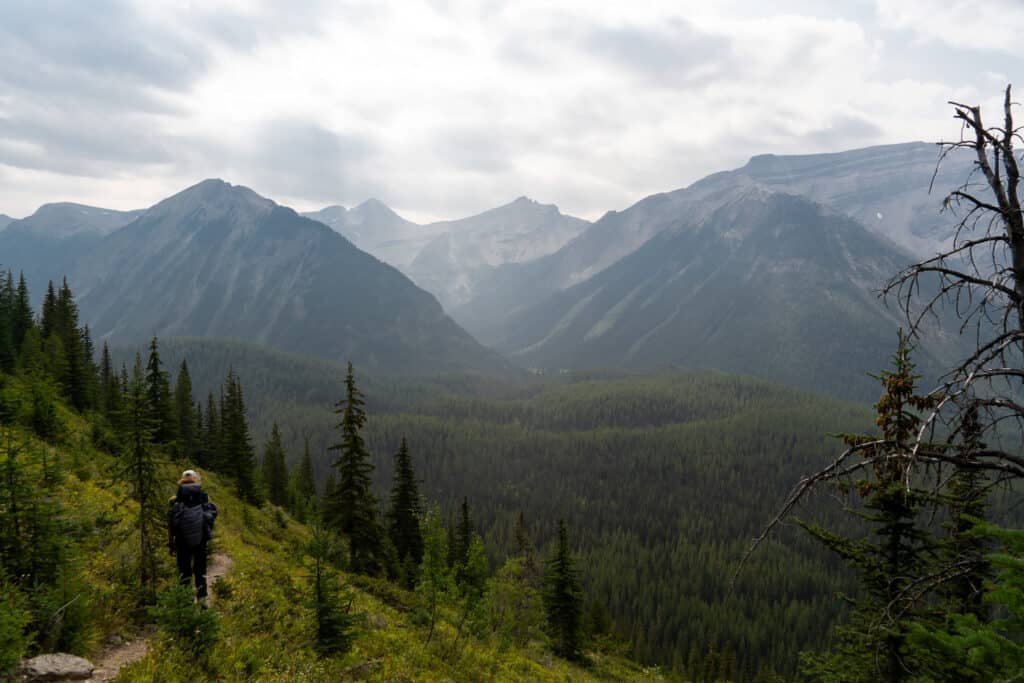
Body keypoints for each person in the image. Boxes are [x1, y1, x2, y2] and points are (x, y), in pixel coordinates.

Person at [168, 469, 218, 607]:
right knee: (200, 569)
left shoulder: (175, 500)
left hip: (181, 540)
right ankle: (202, 601)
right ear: (196, 480)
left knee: (184, 571)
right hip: (200, 540)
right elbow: (210, 515)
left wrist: (171, 543)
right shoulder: (203, 496)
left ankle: (185, 603)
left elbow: (171, 523)